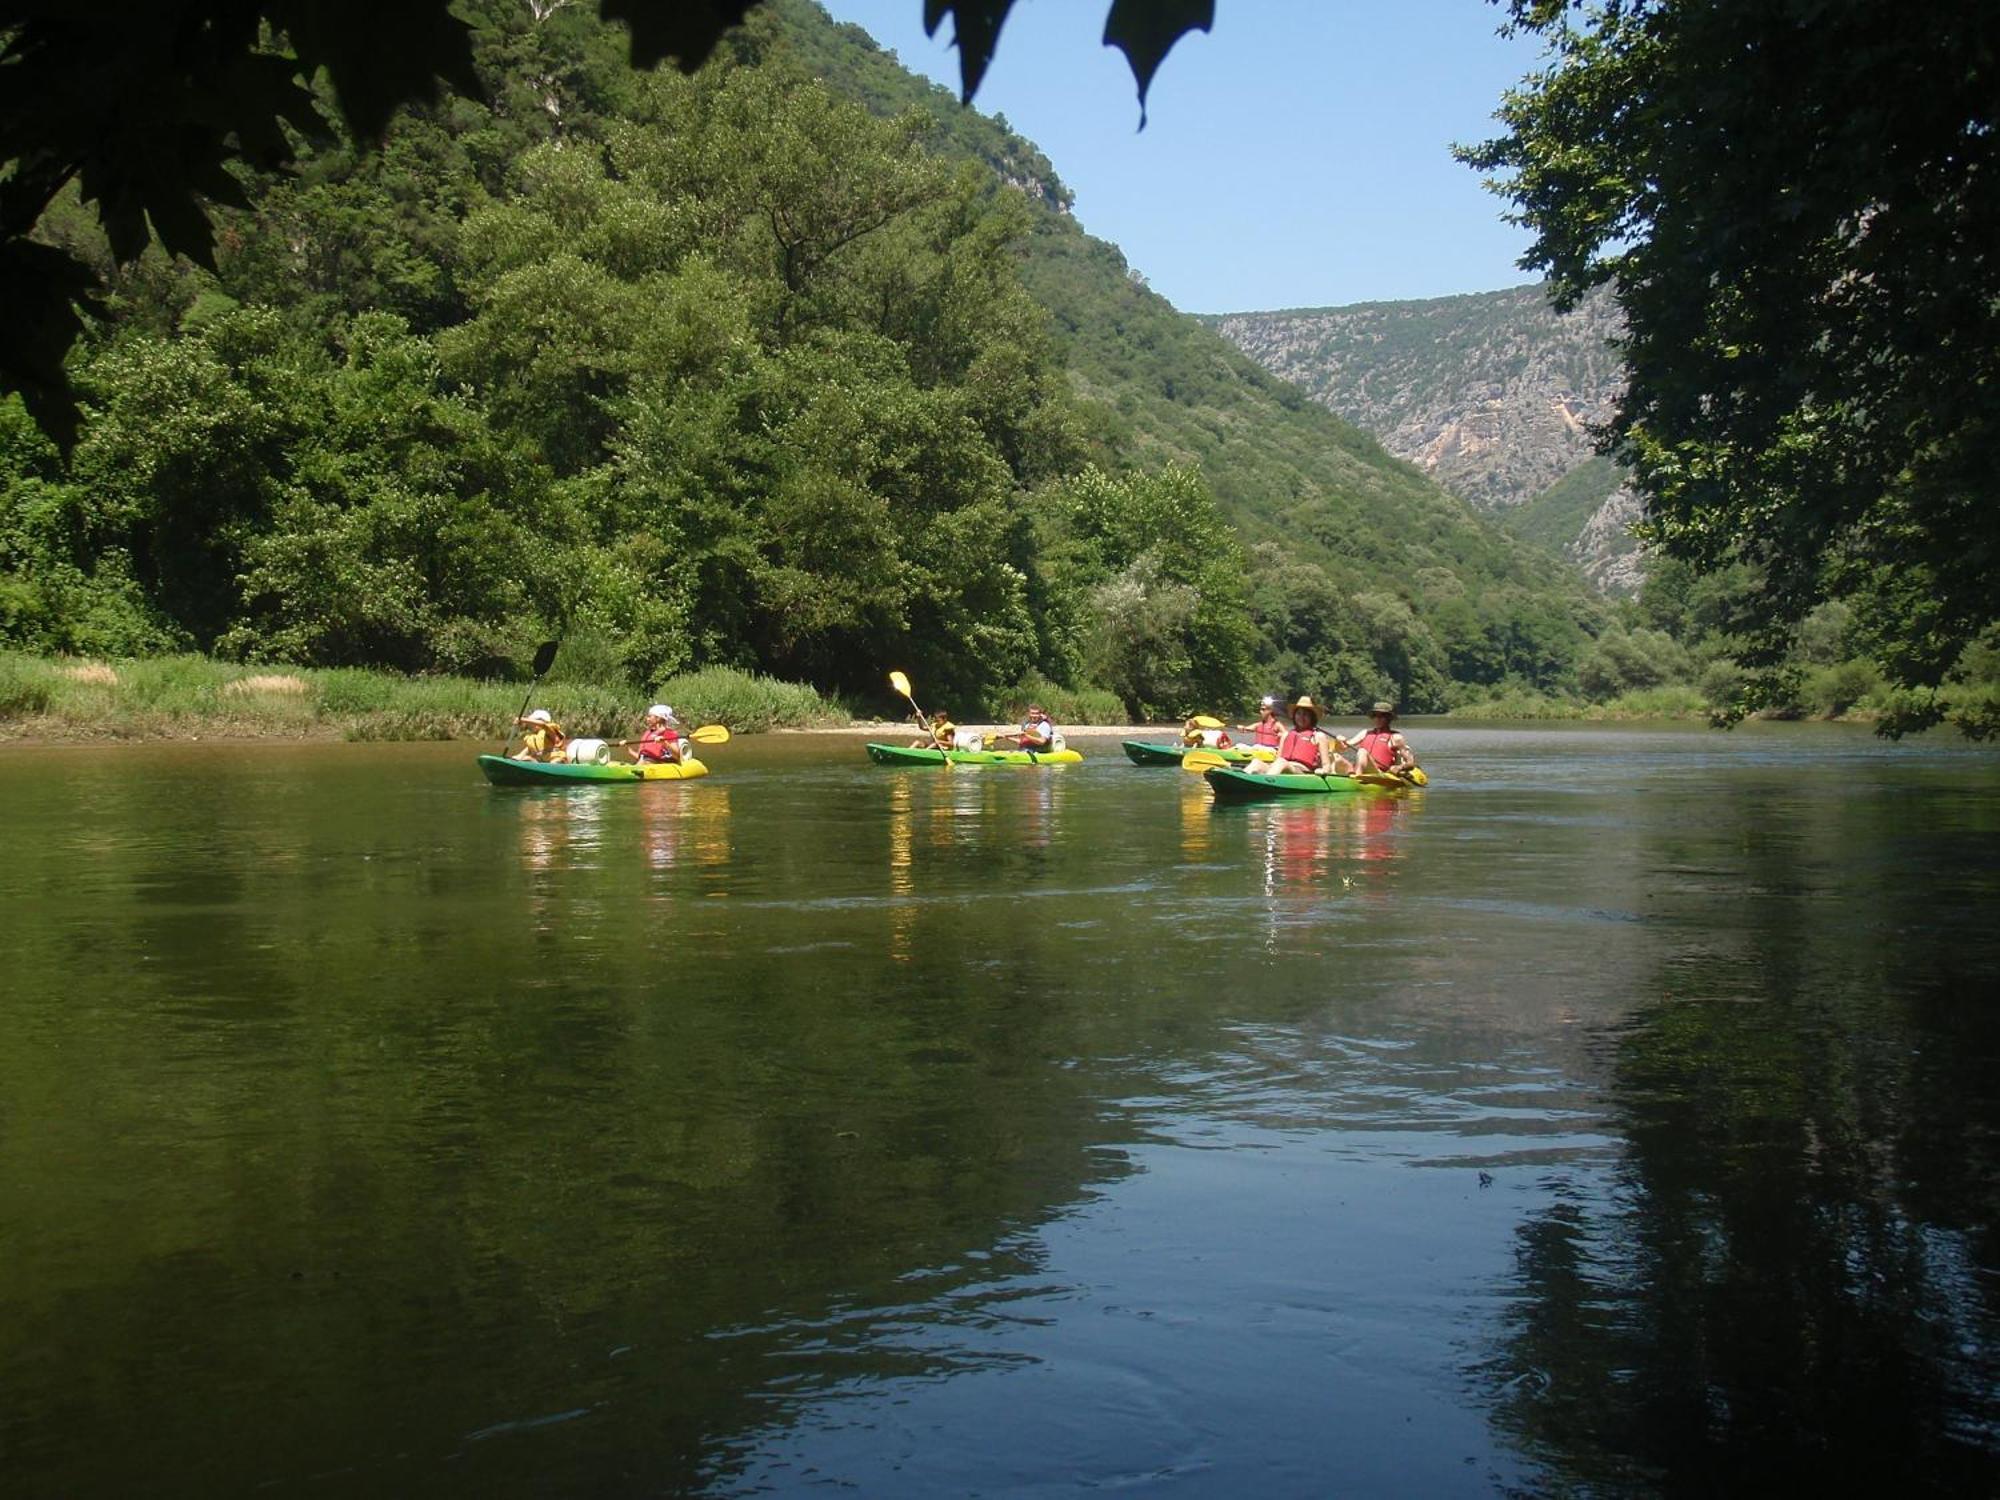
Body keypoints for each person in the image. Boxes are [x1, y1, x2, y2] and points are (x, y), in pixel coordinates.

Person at [1243, 695, 1351, 777]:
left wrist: (1323, 771)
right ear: (1294, 716)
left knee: (1282, 763)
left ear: (1311, 717)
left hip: (1302, 772)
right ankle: (1243, 778)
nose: (1301, 717)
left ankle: (1266, 783)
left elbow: (1326, 765)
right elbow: (1277, 759)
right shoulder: (1286, 735)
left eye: (1305, 714)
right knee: (1256, 762)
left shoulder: (1319, 736)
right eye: (1299, 714)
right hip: (1281, 768)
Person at [1344, 701, 1419, 776]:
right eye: (1374, 716)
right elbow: (1343, 746)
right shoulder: (1364, 733)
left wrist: (1399, 767)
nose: (1377, 719)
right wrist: (1340, 740)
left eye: (1381, 716)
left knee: (1362, 751)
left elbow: (1410, 763)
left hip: (1379, 774)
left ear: (1388, 718)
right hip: (1362, 770)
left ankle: (1356, 779)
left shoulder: (1396, 737)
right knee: (1335, 757)